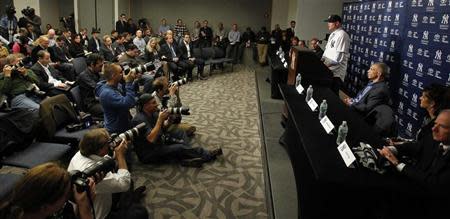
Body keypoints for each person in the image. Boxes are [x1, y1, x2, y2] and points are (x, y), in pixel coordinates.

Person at [131, 93, 223, 166]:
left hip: (160, 141)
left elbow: (163, 128)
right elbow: (151, 139)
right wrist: (160, 120)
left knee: (180, 133)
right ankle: (207, 154)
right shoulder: (139, 120)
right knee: (179, 147)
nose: (157, 104)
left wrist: (170, 120)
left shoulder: (153, 113)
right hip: (149, 153)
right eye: (153, 103)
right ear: (145, 106)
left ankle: (186, 158)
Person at [379, 109, 450, 190]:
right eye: (435, 124)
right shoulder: (433, 138)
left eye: (442, 126)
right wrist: (392, 149)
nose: (434, 129)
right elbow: (415, 147)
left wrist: (397, 164)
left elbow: (433, 183)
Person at [68, 128, 131, 219]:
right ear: (100, 150)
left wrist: (116, 150)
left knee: (126, 178)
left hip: (101, 196)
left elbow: (106, 157)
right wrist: (120, 155)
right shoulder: (92, 172)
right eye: (108, 143)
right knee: (138, 212)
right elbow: (125, 183)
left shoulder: (82, 152)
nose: (111, 144)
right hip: (99, 215)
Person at [0, 162, 95, 219]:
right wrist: (86, 210)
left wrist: (81, 205)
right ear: (45, 208)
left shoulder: (15, 207)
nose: (69, 196)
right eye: (66, 196)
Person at [95, 63, 136, 134]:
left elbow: (126, 95)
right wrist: (128, 83)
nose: (123, 74)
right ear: (113, 76)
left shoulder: (116, 85)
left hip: (123, 122)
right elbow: (129, 103)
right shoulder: (107, 93)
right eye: (120, 72)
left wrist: (126, 82)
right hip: (117, 130)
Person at [322, 14, 350, 95]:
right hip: (328, 70)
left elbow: (339, 58)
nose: (328, 24)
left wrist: (325, 66)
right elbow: (326, 51)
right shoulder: (332, 34)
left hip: (335, 73)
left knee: (332, 95)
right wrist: (321, 62)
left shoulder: (342, 35)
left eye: (330, 22)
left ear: (337, 23)